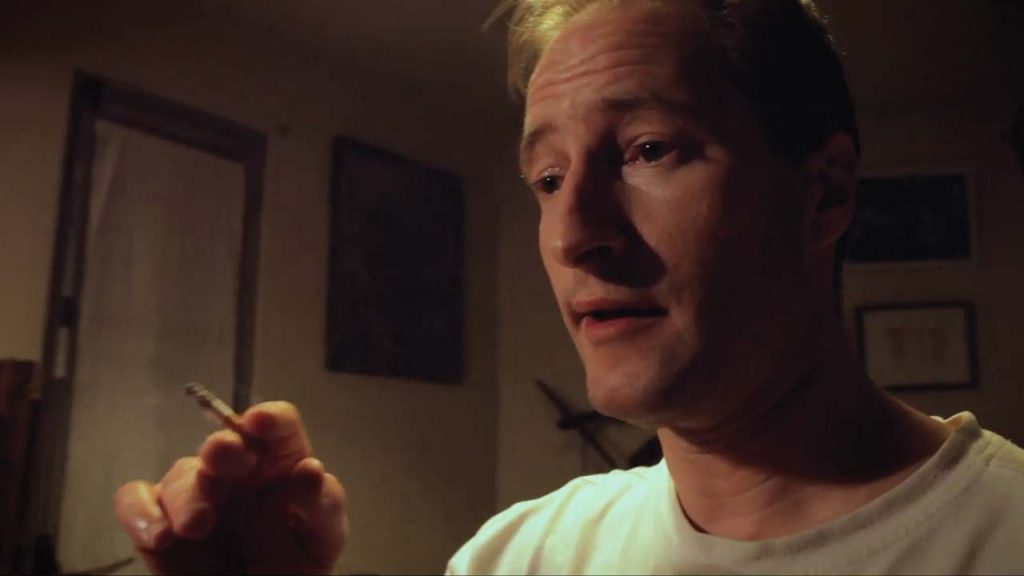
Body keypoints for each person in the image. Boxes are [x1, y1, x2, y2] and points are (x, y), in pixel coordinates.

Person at [114, 0, 1024, 573]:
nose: (573, 233)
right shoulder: (514, 558)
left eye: (648, 150)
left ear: (820, 193)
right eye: (547, 179)